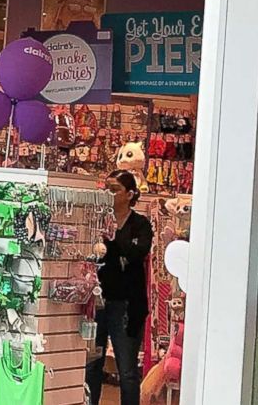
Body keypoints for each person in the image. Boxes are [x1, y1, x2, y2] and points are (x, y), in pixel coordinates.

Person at [85, 170, 154, 405]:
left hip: (126, 306)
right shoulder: (98, 220)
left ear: (130, 194)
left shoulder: (141, 225)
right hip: (98, 303)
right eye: (106, 188)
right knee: (92, 364)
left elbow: (136, 252)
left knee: (127, 370)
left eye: (114, 189)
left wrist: (113, 246)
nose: (108, 194)